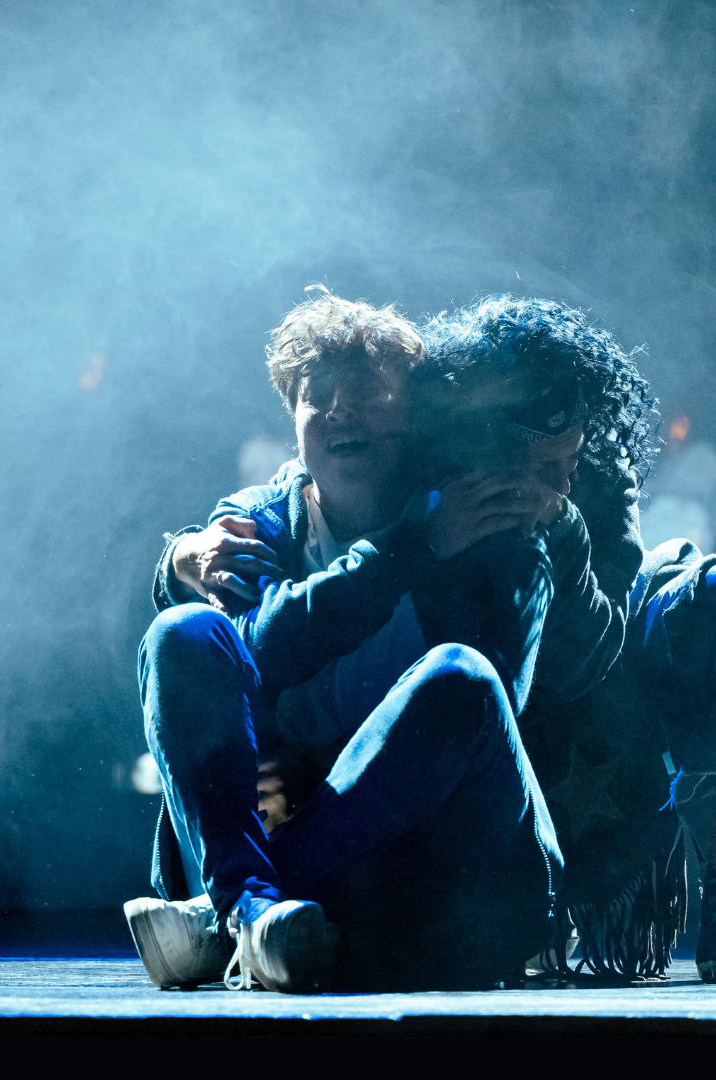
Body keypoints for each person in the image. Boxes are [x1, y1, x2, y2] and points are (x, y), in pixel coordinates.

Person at [126, 288, 565, 992]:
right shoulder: (259, 525)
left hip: (439, 895)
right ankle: (252, 911)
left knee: (459, 676)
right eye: (317, 396)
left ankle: (229, 917)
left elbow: (477, 727)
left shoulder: (488, 531)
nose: (338, 411)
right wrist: (409, 548)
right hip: (298, 910)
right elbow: (259, 650)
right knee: (183, 632)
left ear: (412, 415)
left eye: (363, 392)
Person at [418, 296, 716, 985]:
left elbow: (591, 655)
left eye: (571, 458)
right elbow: (314, 499)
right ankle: (517, 908)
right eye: (543, 467)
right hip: (466, 699)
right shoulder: (427, 477)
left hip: (599, 664)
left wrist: (562, 531)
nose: (565, 477)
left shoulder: (597, 470)